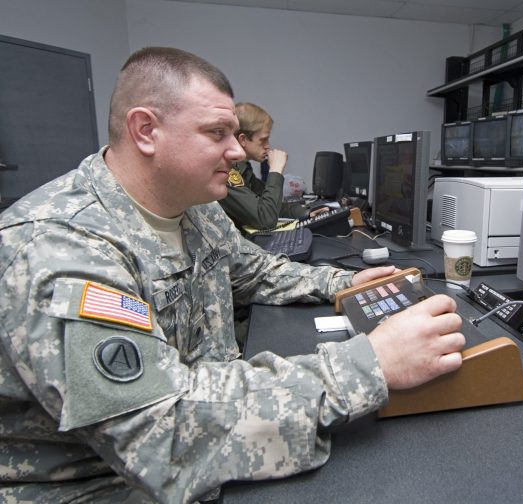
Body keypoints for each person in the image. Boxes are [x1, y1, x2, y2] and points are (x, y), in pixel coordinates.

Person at [0, 47, 465, 503]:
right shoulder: (58, 248)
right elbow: (163, 434)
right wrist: (372, 362)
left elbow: (254, 271)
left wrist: (343, 283)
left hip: (199, 448)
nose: (237, 152)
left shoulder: (193, 208)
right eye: (217, 132)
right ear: (146, 130)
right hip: (106, 484)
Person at [219, 102, 321, 231]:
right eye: (263, 140)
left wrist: (307, 213)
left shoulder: (244, 169)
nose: (268, 146)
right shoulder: (226, 172)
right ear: (243, 139)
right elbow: (265, 219)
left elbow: (272, 206)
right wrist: (275, 171)